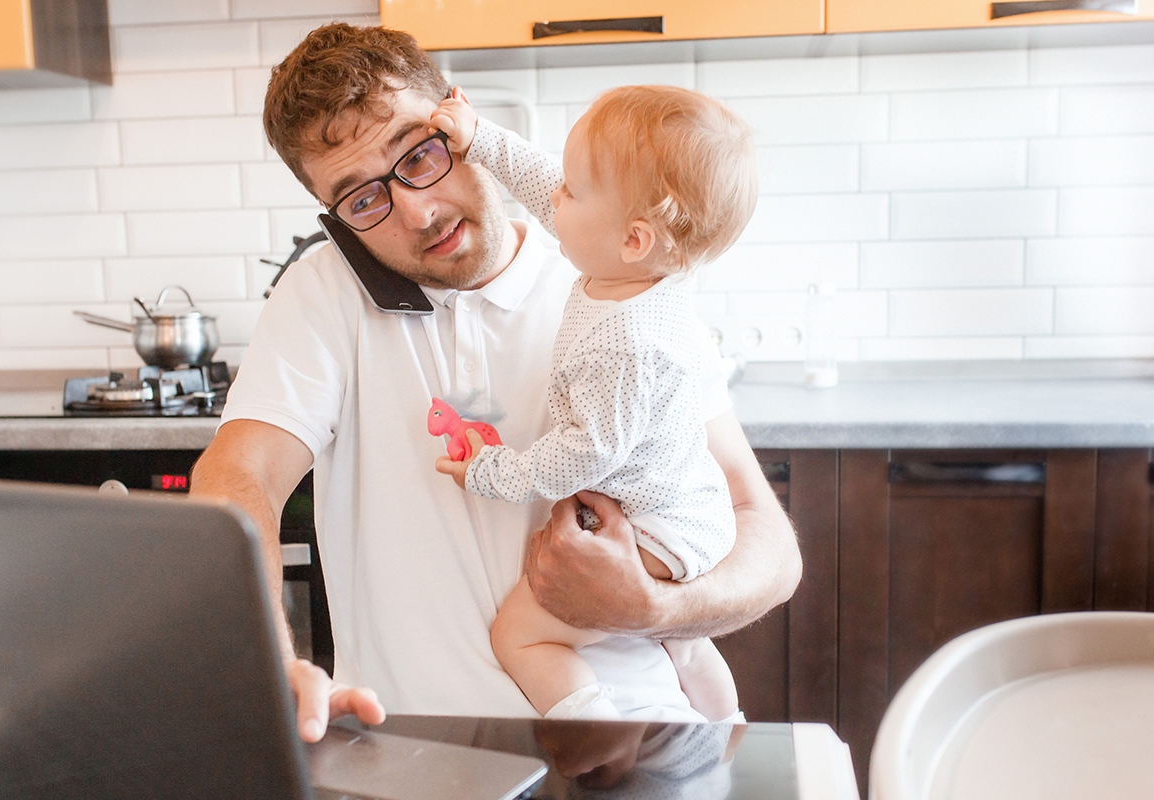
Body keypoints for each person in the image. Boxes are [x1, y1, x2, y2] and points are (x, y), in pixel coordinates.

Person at [188, 22, 801, 742]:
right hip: (414, 757)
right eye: (361, 199)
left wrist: (650, 609)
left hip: (636, 738)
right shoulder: (323, 293)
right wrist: (265, 659)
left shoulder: (619, 282)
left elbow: (766, 541)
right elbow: (239, 475)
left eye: (420, 154)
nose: (418, 211)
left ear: (459, 120)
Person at [429, 86, 756, 723]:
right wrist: (480, 140)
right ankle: (728, 732)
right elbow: (543, 180)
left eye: (573, 191)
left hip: (658, 529)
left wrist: (493, 473)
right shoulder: (634, 271)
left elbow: (585, 453)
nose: (555, 197)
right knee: (683, 646)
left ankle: (598, 736)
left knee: (521, 636)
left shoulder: (623, 341)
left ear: (633, 237)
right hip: (691, 511)